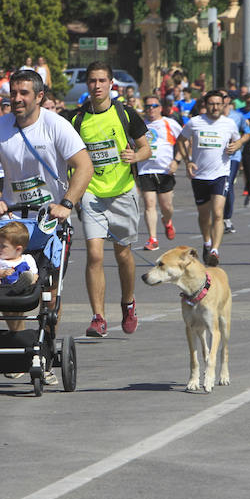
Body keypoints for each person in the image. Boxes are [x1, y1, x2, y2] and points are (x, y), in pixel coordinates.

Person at [0, 69, 91, 383]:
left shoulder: (55, 126)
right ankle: (20, 347)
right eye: (13, 93)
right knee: (11, 286)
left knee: (49, 290)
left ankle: (45, 348)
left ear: (40, 97)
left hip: (50, 220)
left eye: (24, 93)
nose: (17, 99)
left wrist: (66, 203)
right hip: (14, 218)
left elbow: (84, 165)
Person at [71, 62, 151, 338]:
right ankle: (98, 317)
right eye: (92, 80)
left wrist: (135, 157)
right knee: (94, 254)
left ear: (111, 83)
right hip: (92, 194)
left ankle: (128, 303)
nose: (97, 85)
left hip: (123, 191)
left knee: (123, 253)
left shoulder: (125, 113)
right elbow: (71, 158)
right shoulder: (77, 120)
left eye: (102, 80)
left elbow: (146, 148)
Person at [175, 91, 242, 266]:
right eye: (212, 103)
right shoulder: (195, 122)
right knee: (204, 215)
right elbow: (180, 140)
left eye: (219, 104)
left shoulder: (229, 124)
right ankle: (207, 242)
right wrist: (188, 161)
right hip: (199, 175)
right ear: (206, 104)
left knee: (218, 213)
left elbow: (238, 140)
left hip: (221, 173)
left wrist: (236, 145)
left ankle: (215, 250)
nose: (215, 107)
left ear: (223, 105)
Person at [137, 94, 182, 251]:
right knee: (149, 204)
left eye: (154, 106)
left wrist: (176, 161)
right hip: (145, 169)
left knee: (166, 206)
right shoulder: (140, 124)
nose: (150, 109)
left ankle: (167, 221)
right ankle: (153, 239)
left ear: (160, 108)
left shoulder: (169, 123)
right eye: (147, 106)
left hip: (165, 170)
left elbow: (184, 141)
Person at [221, 94, 250, 234]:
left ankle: (227, 218)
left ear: (228, 100)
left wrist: (238, 143)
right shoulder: (210, 118)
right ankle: (217, 217)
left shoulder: (237, 116)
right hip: (216, 158)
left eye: (224, 97)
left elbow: (247, 133)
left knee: (228, 184)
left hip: (233, 156)